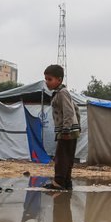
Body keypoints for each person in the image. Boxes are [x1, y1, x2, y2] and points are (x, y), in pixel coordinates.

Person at [42, 63, 80, 192]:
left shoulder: (62, 93)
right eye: (46, 79)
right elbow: (76, 109)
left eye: (50, 79)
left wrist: (66, 129)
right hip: (71, 130)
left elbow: (69, 111)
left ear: (59, 80)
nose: (47, 82)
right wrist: (77, 127)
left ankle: (58, 182)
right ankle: (66, 182)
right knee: (68, 157)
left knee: (61, 157)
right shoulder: (62, 92)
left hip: (67, 131)